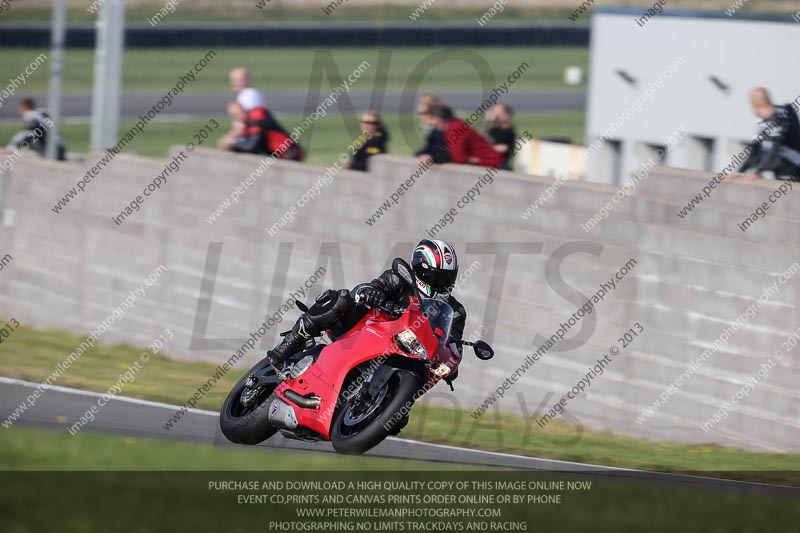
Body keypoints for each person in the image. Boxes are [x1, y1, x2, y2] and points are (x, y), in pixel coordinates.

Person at [267, 239, 467, 369]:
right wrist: (372, 294)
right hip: (364, 329)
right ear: (420, 269)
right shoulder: (399, 278)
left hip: (406, 354)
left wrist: (450, 365)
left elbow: (454, 349)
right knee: (342, 298)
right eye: (437, 276)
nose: (442, 282)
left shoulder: (455, 312)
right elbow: (366, 288)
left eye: (447, 277)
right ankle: (285, 348)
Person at [733, 87, 800, 182]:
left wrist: (757, 172)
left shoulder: (779, 117)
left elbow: (774, 148)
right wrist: (740, 171)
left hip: (793, 168)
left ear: (756, 105)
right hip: (783, 169)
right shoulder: (764, 121)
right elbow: (756, 149)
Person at [420, 104, 503, 169]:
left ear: (440, 119)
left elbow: (459, 158)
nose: (429, 123)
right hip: (487, 165)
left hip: (494, 166)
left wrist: (433, 159)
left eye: (431, 119)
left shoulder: (455, 128)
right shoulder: (448, 129)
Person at [224, 101, 303, 161]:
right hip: (277, 156)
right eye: (234, 115)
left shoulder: (257, 115)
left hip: (289, 153)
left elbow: (252, 146)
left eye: (239, 112)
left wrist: (232, 145)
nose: (238, 116)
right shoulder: (246, 125)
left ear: (243, 108)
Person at [414, 94, 449, 164]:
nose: (421, 117)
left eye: (424, 113)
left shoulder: (437, 126)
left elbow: (441, 147)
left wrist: (432, 157)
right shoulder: (431, 125)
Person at [484, 104, 517, 171]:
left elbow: (503, 148)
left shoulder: (508, 131)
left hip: (501, 165)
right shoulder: (493, 129)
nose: (496, 116)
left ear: (507, 115)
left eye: (499, 114)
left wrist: (485, 148)